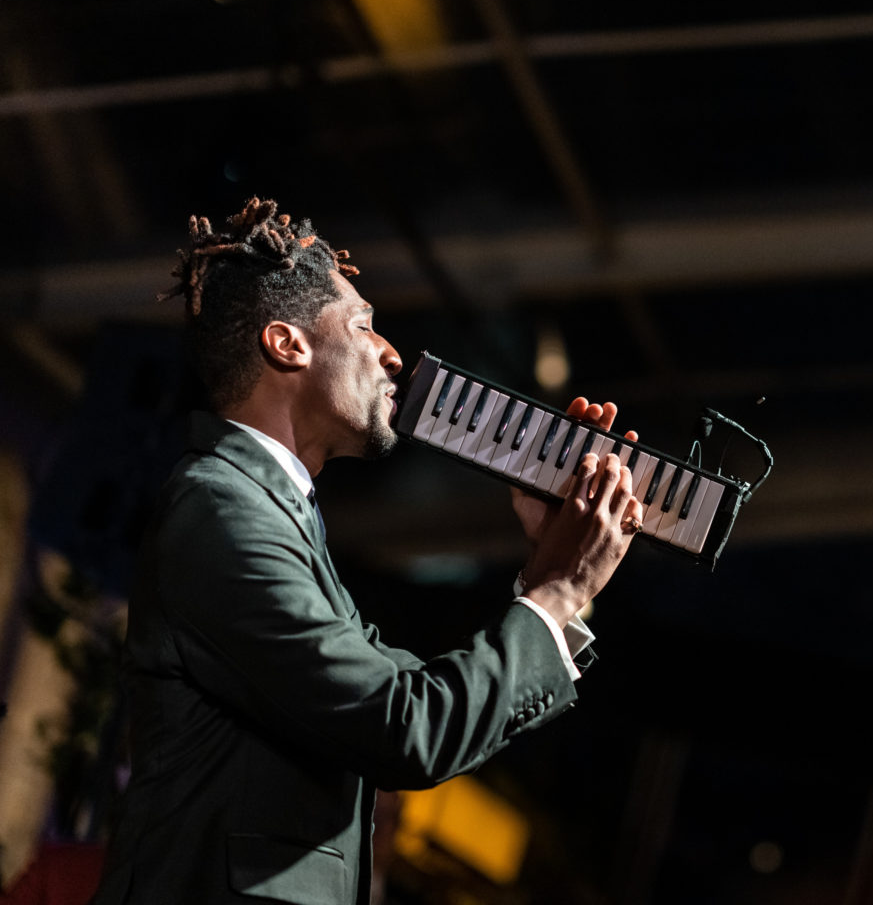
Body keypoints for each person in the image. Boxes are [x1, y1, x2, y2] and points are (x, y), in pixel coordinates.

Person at [90, 197, 644, 905]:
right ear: (287, 344)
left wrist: (546, 574)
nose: (391, 353)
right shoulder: (222, 510)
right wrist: (559, 590)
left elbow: (413, 699)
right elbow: (405, 728)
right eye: (362, 325)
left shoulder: (268, 514)